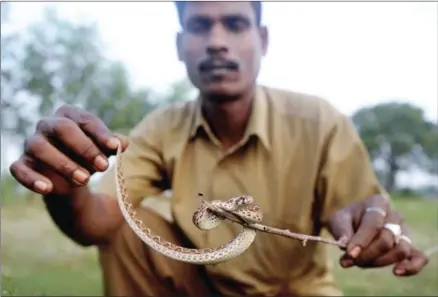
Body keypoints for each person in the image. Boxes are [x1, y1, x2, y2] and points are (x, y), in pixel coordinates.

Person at [10, 1, 429, 296]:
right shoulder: (160, 128)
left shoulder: (320, 122)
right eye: (199, 26)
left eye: (234, 23)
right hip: (201, 285)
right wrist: (67, 189)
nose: (215, 42)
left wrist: (372, 230)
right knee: (131, 230)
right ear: (180, 45)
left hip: (294, 291)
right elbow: (98, 224)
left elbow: (360, 211)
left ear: (262, 40)